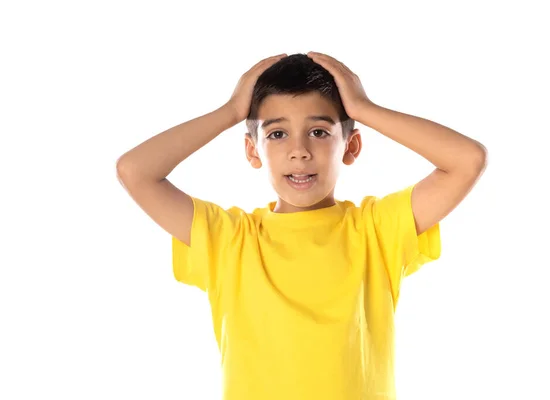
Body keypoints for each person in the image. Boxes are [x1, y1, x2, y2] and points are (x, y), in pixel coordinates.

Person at [116, 51, 487, 400]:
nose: (299, 151)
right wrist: (230, 111)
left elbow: (467, 160)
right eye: (277, 134)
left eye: (319, 131)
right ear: (252, 150)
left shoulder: (376, 230)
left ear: (351, 146)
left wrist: (363, 109)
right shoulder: (230, 239)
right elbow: (135, 171)